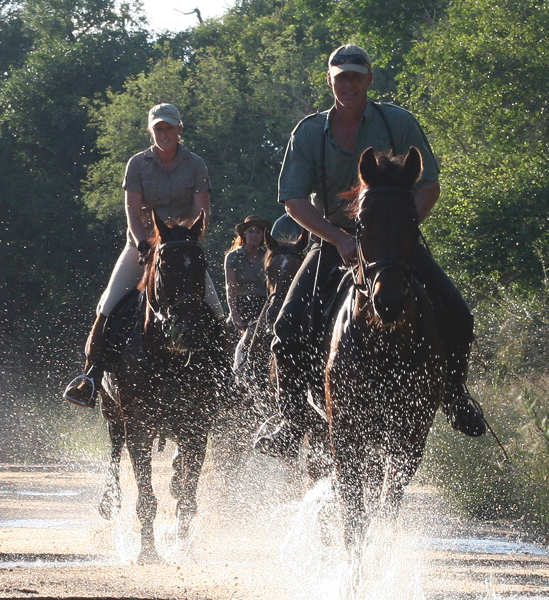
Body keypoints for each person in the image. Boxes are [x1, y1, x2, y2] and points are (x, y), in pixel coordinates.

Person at [255, 44, 486, 458]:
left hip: (391, 244)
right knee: (286, 326)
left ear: (369, 80)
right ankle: (290, 419)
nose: (348, 83)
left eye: (356, 76)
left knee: (458, 313)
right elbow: (293, 199)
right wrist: (340, 238)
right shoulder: (309, 132)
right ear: (330, 80)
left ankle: (454, 397)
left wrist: (398, 229)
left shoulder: (398, 122)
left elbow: (429, 184)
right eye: (341, 76)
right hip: (334, 239)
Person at [62, 103, 225, 408]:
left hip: (180, 250)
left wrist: (186, 242)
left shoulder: (196, 164)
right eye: (159, 128)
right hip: (142, 246)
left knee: (215, 309)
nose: (165, 133)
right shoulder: (137, 164)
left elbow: (201, 213)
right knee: (108, 305)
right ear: (151, 131)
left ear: (179, 130)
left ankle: (225, 380)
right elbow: (132, 213)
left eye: (170, 128)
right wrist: (143, 244)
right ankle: (90, 377)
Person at [224, 215, 271, 334]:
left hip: (265, 304)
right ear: (245, 234)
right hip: (242, 303)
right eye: (251, 232)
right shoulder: (233, 257)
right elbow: (230, 287)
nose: (254, 235)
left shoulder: (268, 256)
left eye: (258, 232)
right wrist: (234, 314)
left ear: (262, 235)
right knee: (229, 331)